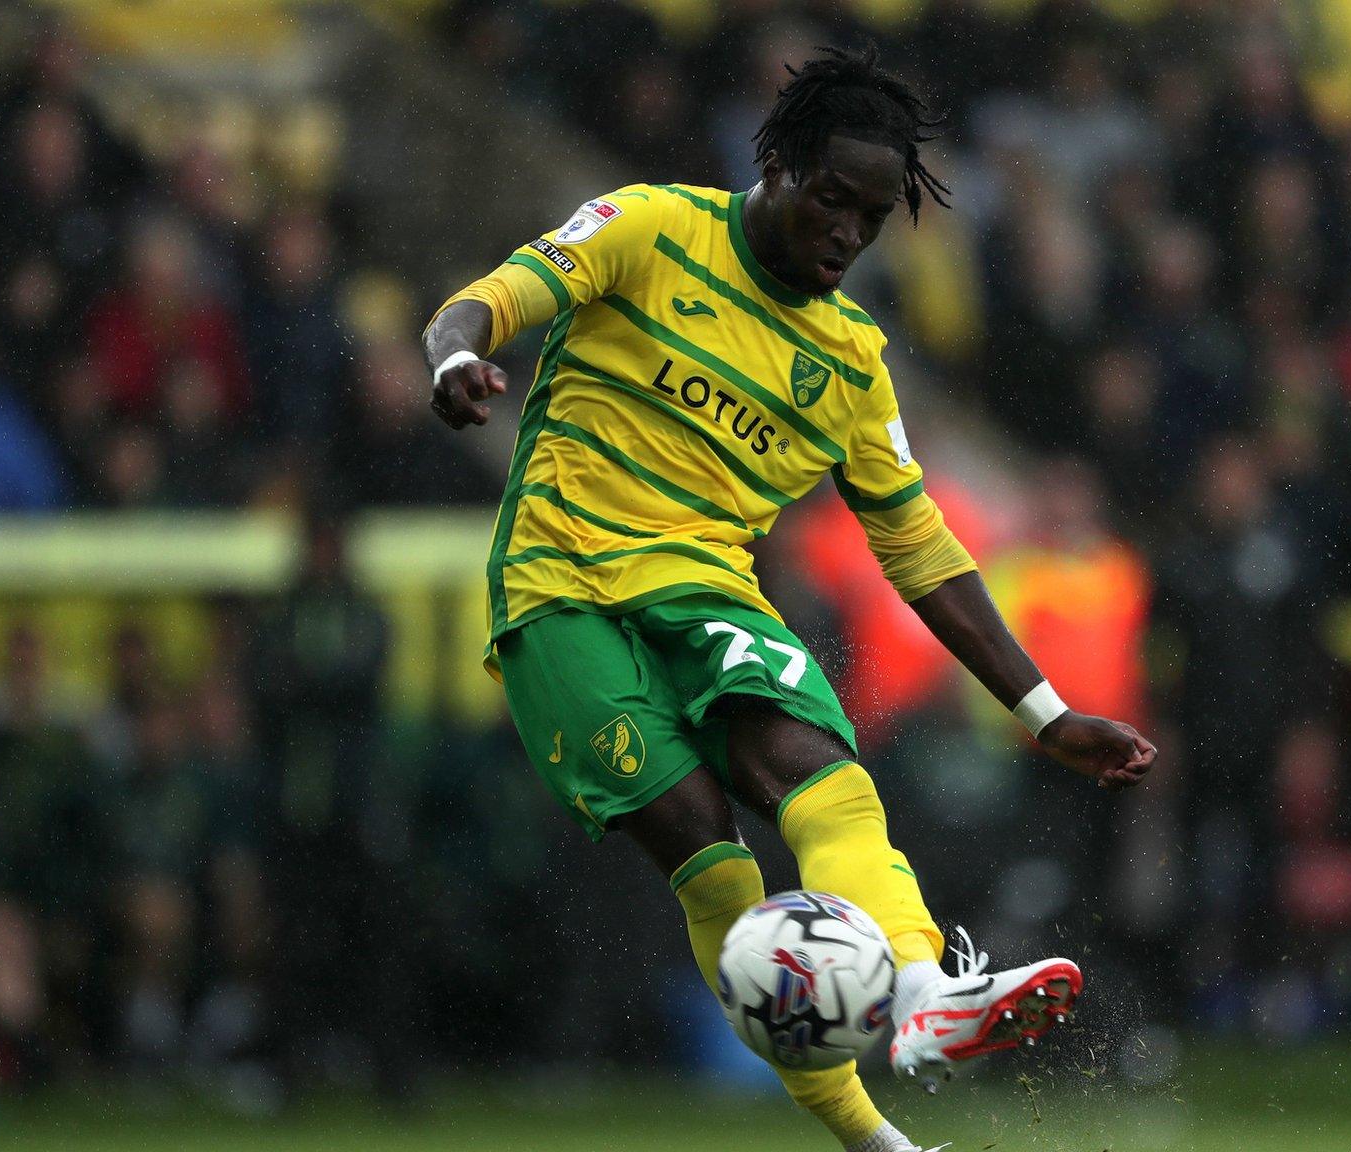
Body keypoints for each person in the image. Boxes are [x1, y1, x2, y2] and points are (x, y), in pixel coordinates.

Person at [421, 47, 1156, 1152]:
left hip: (703, 590)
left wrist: (1042, 713)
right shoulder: (646, 226)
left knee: (823, 777)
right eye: (833, 201)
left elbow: (923, 553)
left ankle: (920, 994)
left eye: (871, 218)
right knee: (715, 869)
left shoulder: (851, 360)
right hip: (556, 591)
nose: (847, 237)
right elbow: (478, 306)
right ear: (774, 166)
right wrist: (453, 363)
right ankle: (872, 1139)